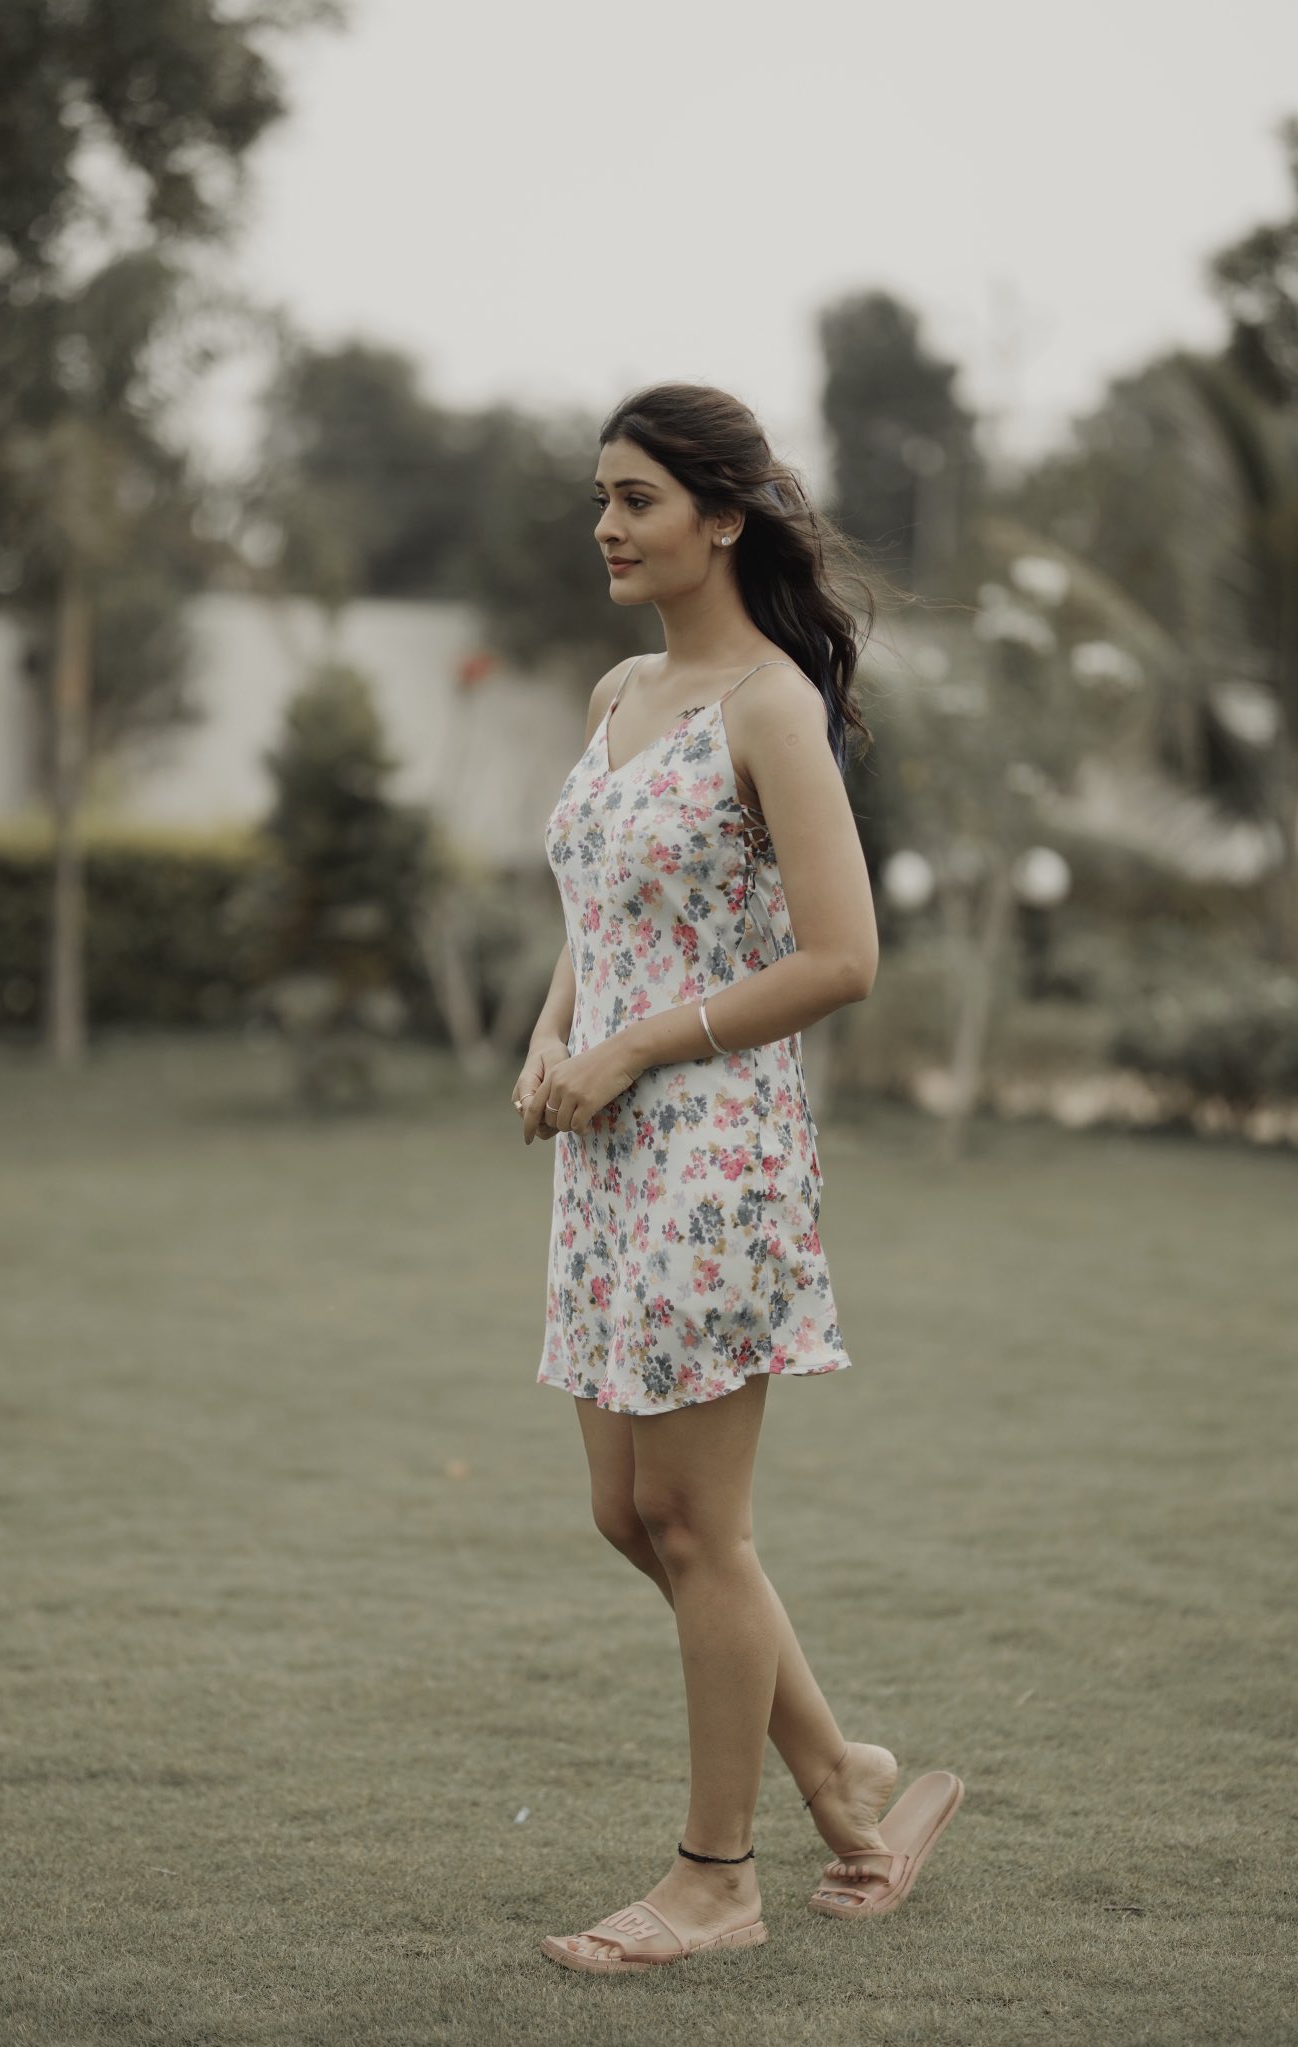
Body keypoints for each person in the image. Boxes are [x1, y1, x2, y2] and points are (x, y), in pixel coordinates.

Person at [513, 382, 962, 1975]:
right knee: (630, 1518)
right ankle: (841, 1770)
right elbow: (598, 906)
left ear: (722, 516)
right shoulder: (617, 690)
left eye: (633, 499)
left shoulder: (768, 705)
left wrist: (633, 1048)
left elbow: (840, 958)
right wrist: (556, 1030)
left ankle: (718, 1879)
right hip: (605, 1151)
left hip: (713, 1151)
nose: (606, 527)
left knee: (700, 1525)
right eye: (600, 498)